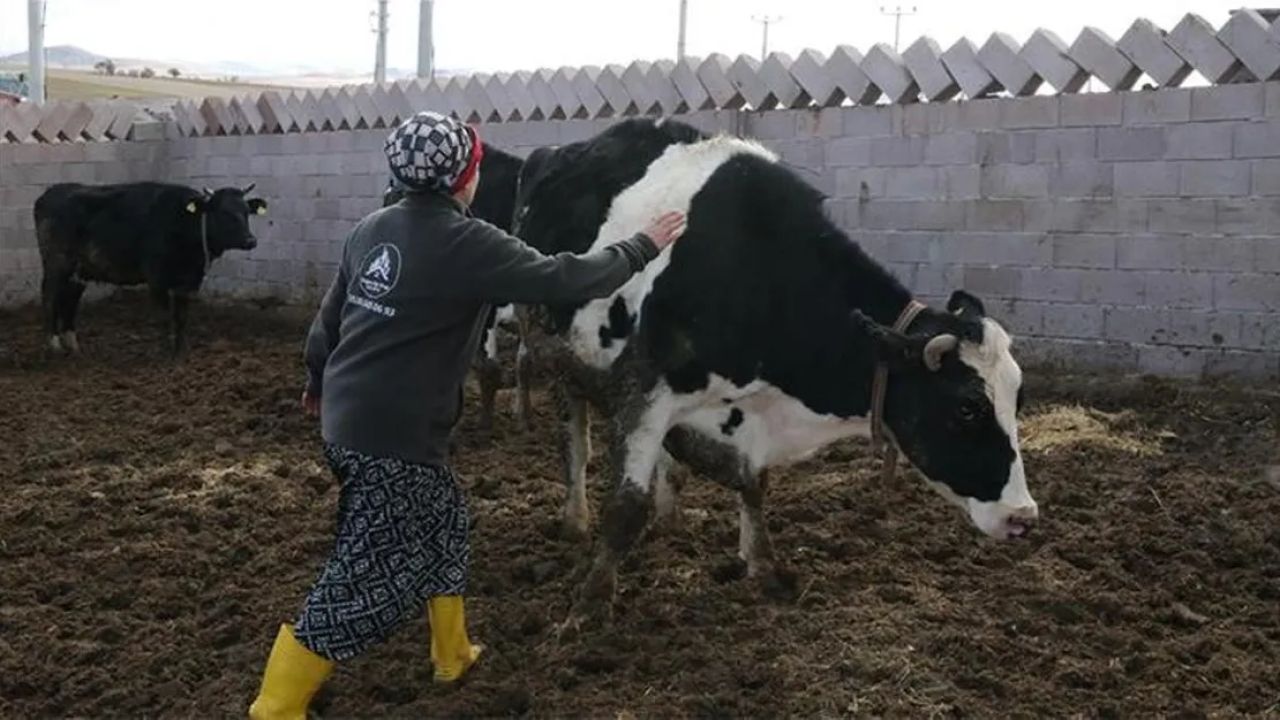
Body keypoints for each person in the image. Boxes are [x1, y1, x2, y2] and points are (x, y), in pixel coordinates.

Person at [247, 111, 686, 719]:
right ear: (467, 176)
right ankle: (276, 704)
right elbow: (563, 278)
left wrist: (317, 381)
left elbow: (329, 318)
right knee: (367, 577)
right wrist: (643, 245)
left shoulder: (372, 228)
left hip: (350, 416)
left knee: (444, 521)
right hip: (394, 434)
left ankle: (452, 653)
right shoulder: (468, 241)